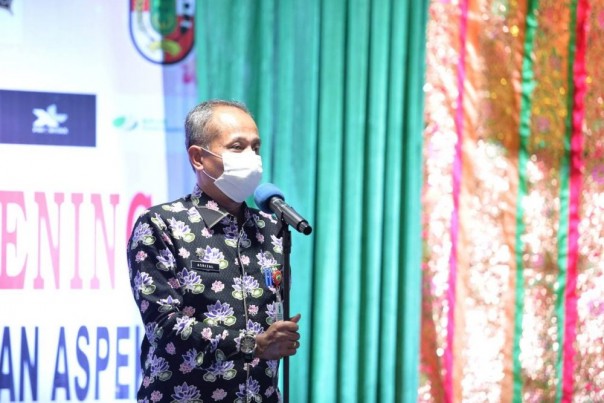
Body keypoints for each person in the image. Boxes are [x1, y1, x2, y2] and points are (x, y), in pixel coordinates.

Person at [127, 100, 301, 403]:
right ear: (198, 157)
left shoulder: (271, 228)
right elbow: (164, 327)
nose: (251, 157)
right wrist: (253, 345)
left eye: (255, 147)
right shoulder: (161, 224)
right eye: (237, 147)